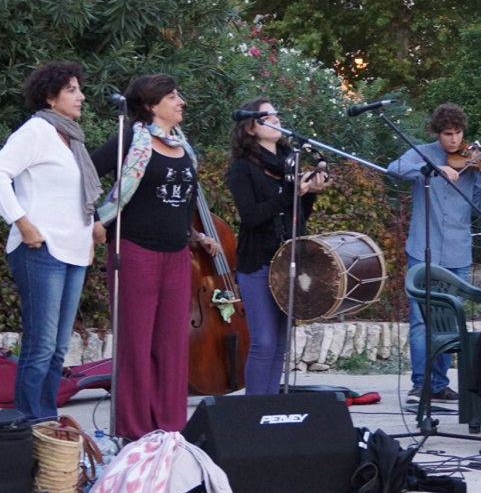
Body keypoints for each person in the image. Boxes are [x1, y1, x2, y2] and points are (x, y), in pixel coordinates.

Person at [91, 74, 218, 439]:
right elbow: (85, 171)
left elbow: (182, 201)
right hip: (135, 252)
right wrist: (93, 220)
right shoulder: (132, 138)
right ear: (150, 105)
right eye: (173, 96)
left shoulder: (182, 145)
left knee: (172, 346)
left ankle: (170, 430)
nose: (181, 102)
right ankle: (134, 432)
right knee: (136, 345)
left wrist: (194, 235)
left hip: (176, 255)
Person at [0, 62, 105, 420]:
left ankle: (47, 420)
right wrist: (22, 222)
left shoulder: (72, 138)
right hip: (41, 249)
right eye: (72, 90)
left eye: (80, 89)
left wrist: (93, 224)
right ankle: (28, 424)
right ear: (50, 98)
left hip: (74, 250)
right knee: (40, 346)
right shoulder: (36, 131)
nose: (81, 96)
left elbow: (72, 193)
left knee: (58, 348)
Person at [225, 97, 329, 395]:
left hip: (290, 260)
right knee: (264, 342)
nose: (276, 121)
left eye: (276, 116)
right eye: (266, 117)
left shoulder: (289, 160)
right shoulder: (242, 168)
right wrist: (292, 192)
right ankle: (255, 414)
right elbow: (252, 216)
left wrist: (309, 193)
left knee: (281, 343)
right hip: (258, 261)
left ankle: (271, 410)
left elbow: (298, 215)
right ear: (249, 128)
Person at [387, 103, 481, 404]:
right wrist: (431, 168)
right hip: (423, 249)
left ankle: (440, 384)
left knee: (450, 321)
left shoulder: (472, 161)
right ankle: (421, 384)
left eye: (458, 134)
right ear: (437, 133)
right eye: (447, 134)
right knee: (421, 319)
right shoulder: (422, 153)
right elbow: (395, 169)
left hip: (458, 250)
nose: (454, 141)